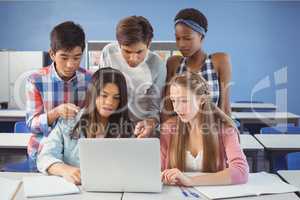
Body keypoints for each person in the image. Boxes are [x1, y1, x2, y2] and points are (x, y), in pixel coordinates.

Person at [37, 68, 134, 184]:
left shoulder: (126, 127)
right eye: (104, 95)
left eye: (116, 97)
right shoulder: (70, 121)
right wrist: (66, 170)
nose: (109, 102)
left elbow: (134, 166)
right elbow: (44, 157)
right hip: (76, 191)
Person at [161, 72, 248, 186]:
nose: (177, 108)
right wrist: (164, 176)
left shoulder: (225, 130)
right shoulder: (169, 128)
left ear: (201, 100)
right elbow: (154, 169)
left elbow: (241, 172)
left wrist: (191, 181)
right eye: (173, 100)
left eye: (184, 101)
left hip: (215, 195)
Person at [25, 21, 92, 161]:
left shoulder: (89, 79)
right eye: (64, 57)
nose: (70, 64)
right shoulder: (36, 80)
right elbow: (32, 125)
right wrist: (55, 113)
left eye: (77, 57)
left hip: (76, 153)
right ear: (52, 54)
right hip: (42, 149)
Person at [161, 8, 232, 134]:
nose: (181, 44)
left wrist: (226, 139)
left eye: (187, 38)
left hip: (211, 134)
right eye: (177, 38)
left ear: (201, 37)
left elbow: (224, 108)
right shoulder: (174, 63)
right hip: (180, 135)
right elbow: (167, 110)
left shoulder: (219, 61)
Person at [100, 16, 166, 138]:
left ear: (149, 44)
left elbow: (154, 108)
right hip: (112, 125)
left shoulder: (157, 64)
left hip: (141, 129)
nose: (133, 59)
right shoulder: (108, 53)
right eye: (127, 52)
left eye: (139, 52)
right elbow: (101, 92)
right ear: (119, 45)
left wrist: (150, 123)